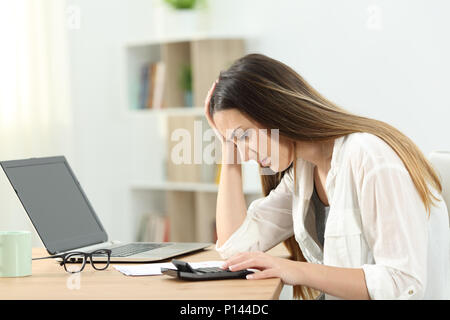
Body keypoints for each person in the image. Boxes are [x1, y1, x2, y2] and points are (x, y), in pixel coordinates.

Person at [204, 53, 450, 300]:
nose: (244, 154)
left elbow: (403, 282)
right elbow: (235, 247)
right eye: (236, 142)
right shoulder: (303, 171)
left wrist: (298, 271)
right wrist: (229, 148)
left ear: (275, 110)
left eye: (244, 136)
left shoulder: (369, 157)